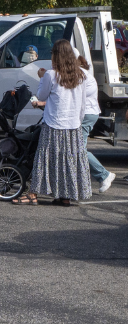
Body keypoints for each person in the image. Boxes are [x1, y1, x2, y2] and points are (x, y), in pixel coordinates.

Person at [24, 40, 91, 206]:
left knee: (46, 157)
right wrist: (79, 120)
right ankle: (65, 195)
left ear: (56, 55)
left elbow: (41, 96)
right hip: (73, 124)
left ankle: (34, 193)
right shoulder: (80, 74)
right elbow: (82, 103)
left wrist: (41, 78)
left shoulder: (51, 75)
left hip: (54, 123)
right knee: (68, 160)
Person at [77, 54, 116, 192]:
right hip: (87, 113)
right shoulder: (83, 74)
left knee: (78, 149)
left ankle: (104, 174)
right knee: (76, 148)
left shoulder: (80, 75)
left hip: (85, 114)